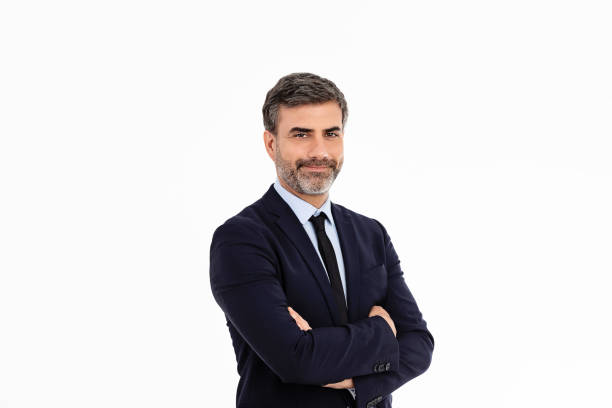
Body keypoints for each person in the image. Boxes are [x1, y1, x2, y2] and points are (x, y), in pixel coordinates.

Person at [209, 72, 434, 408]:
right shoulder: (241, 240)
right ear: (271, 144)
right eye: (301, 134)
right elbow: (295, 359)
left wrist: (353, 379)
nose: (319, 151)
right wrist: (381, 332)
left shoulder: (370, 233)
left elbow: (418, 344)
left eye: (331, 134)